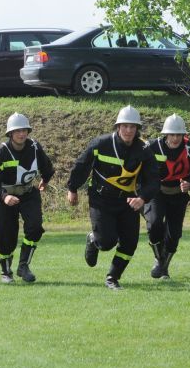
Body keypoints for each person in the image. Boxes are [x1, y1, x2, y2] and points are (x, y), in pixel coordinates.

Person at [67, 106, 159, 290]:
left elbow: (154, 180)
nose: (129, 130)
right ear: (118, 126)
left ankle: (113, 277)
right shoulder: (100, 144)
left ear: (137, 129)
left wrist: (142, 198)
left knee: (130, 242)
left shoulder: (144, 149)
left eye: (133, 127)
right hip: (101, 200)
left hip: (128, 201)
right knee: (106, 242)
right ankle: (94, 239)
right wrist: (72, 188)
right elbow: (81, 166)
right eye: (125, 126)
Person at [0, 113, 55, 284]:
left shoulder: (35, 147)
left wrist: (45, 181)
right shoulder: (1, 152)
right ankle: (5, 270)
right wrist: (4, 197)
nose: (21, 134)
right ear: (10, 133)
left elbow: (47, 166)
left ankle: (23, 265)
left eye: (24, 130)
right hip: (6, 198)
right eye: (17, 131)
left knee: (35, 227)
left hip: (28, 194)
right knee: (7, 235)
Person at [144, 114, 190, 279]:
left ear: (184, 135)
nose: (175, 138)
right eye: (172, 134)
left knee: (174, 234)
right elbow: (140, 169)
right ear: (165, 134)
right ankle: (159, 261)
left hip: (178, 195)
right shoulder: (152, 147)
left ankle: (164, 268)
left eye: (179, 135)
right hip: (157, 193)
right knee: (154, 225)